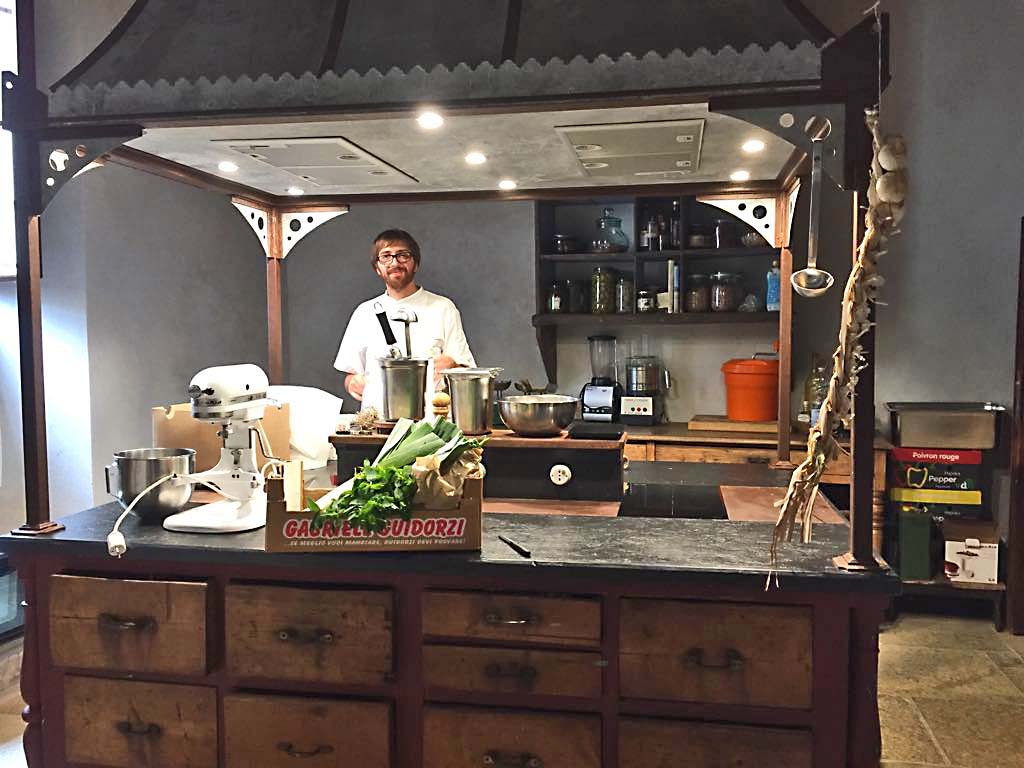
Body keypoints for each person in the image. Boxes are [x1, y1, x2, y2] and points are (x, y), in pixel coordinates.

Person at [334, 229, 476, 413]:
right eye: (386, 256)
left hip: (431, 420)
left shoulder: (443, 308)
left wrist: (453, 366)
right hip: (377, 420)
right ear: (377, 268)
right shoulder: (364, 313)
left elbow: (467, 371)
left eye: (403, 255)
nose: (395, 262)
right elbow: (351, 375)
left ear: (415, 264)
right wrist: (352, 383)